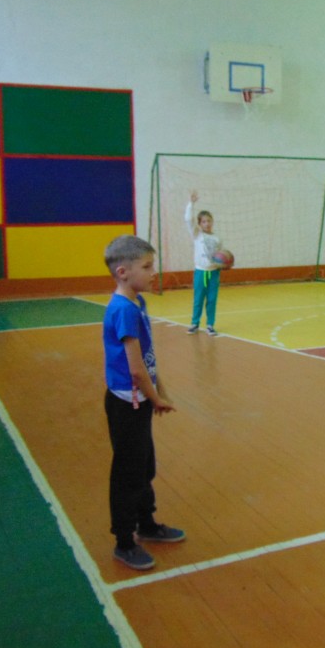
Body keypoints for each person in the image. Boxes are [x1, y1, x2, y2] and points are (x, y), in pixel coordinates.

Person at [102, 234, 185, 571]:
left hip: (142, 401)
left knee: (144, 466)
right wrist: (156, 399)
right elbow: (136, 371)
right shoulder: (124, 311)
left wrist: (160, 391)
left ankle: (147, 524)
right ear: (123, 272)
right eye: (147, 267)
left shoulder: (137, 303)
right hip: (129, 405)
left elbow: (148, 361)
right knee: (128, 474)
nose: (154, 272)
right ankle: (124, 542)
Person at [185, 190, 227, 336]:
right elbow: (188, 219)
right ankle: (194, 323)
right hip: (200, 272)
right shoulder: (197, 234)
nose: (207, 223)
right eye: (203, 221)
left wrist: (223, 264)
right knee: (198, 299)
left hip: (214, 273)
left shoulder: (217, 239)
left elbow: (220, 257)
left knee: (211, 300)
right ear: (199, 224)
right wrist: (191, 204)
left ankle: (210, 325)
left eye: (209, 221)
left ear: (212, 222)